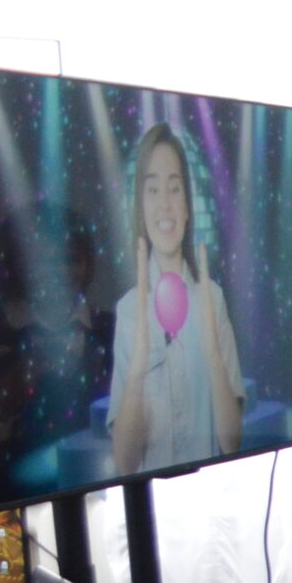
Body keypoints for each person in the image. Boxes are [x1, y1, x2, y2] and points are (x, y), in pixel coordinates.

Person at [108, 122, 243, 475]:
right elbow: (124, 463)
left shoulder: (213, 298)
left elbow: (232, 442)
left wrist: (211, 350)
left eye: (174, 188)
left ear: (187, 206)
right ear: (141, 206)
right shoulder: (129, 310)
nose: (164, 205)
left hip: (214, 493)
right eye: (153, 190)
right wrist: (139, 365)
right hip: (150, 498)